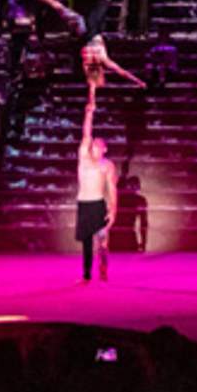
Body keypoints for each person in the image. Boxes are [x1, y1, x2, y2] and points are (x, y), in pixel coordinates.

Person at [18, 0, 147, 89]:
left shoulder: (101, 62)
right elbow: (113, 77)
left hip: (90, 25)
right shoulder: (96, 63)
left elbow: (120, 73)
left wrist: (139, 82)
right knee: (57, 5)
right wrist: (138, 82)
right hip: (85, 27)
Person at [76, 87, 119, 282]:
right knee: (86, 241)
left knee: (102, 240)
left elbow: (112, 188)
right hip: (84, 203)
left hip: (98, 204)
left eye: (98, 144)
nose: (94, 145)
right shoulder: (84, 157)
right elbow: (86, 133)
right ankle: (86, 274)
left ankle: (103, 266)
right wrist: (89, 113)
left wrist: (113, 209)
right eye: (94, 143)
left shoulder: (107, 165)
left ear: (105, 149)